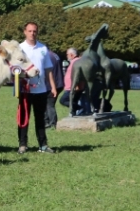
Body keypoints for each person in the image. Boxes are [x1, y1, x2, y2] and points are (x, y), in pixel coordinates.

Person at [18, 22, 57, 153]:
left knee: (40, 118)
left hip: (41, 89)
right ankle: (22, 145)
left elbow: (48, 70)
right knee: (23, 118)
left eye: (34, 31)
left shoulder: (43, 48)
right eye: (29, 31)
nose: (32, 33)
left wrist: (53, 87)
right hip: (25, 89)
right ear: (25, 32)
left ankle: (43, 145)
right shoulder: (19, 48)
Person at [59, 47, 92, 115]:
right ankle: (73, 114)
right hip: (73, 87)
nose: (66, 56)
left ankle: (81, 108)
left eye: (67, 54)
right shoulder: (75, 62)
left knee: (63, 100)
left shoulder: (76, 62)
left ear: (71, 55)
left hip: (72, 88)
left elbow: (78, 74)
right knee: (74, 101)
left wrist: (77, 85)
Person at [45, 49, 64, 128]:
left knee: (49, 104)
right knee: (48, 104)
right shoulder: (54, 55)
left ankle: (52, 123)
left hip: (52, 84)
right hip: (59, 83)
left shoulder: (47, 57)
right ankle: (47, 122)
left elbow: (48, 71)